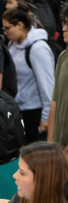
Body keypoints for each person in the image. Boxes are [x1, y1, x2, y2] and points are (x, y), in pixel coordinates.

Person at [2, 3, 54, 145]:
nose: (5, 32)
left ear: (19, 25)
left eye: (7, 28)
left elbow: (48, 88)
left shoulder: (38, 49)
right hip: (20, 112)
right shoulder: (12, 45)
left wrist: (45, 119)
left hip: (35, 115)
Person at [48, 4, 68, 154]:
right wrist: (50, 143)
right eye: (64, 23)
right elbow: (54, 101)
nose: (64, 28)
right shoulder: (63, 57)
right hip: (59, 146)